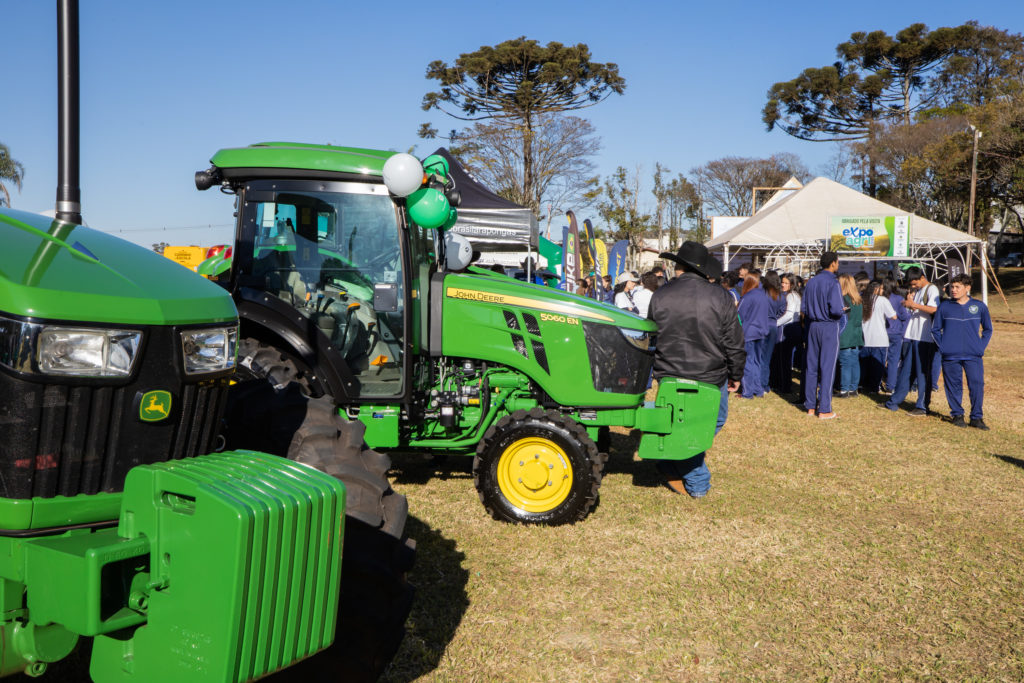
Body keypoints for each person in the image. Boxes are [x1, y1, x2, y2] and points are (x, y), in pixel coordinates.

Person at [648, 241, 745, 498]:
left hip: (670, 373)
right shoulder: (721, 296)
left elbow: (651, 337)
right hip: (710, 375)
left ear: (679, 266)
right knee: (711, 421)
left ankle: (671, 461)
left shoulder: (660, 295)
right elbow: (734, 341)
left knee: (678, 423)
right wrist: (736, 374)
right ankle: (696, 478)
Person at [931, 274, 993, 430]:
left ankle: (976, 418)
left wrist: (980, 347)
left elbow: (988, 329)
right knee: (953, 386)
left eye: (957, 287)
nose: (953, 290)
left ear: (968, 288)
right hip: (950, 355)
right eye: (952, 287)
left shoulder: (979, 307)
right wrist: (944, 347)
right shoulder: (944, 307)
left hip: (973, 355)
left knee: (977, 385)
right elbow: (935, 330)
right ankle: (957, 415)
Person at [883, 266, 940, 416]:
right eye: (911, 285)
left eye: (915, 283)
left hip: (926, 338)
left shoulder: (932, 289)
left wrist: (913, 305)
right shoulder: (919, 291)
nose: (913, 287)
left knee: (922, 373)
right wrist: (910, 304)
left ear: (922, 277)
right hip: (914, 336)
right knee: (906, 371)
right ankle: (894, 401)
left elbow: (934, 309)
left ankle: (922, 406)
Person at [801, 252, 845, 419]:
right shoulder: (833, 282)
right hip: (828, 325)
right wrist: (841, 311)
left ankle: (810, 405)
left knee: (811, 367)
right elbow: (836, 309)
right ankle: (825, 409)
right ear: (833, 263)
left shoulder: (811, 282)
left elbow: (804, 308)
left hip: (812, 325)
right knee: (827, 367)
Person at [859, 280, 898, 394]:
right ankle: (874, 387)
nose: (883, 291)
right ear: (876, 289)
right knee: (877, 365)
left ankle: (862, 385)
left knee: (863, 364)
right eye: (881, 288)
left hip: (864, 338)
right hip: (879, 339)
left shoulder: (862, 299)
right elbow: (893, 316)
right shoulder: (882, 300)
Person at [736, 273, 772, 398]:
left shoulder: (747, 297)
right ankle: (758, 389)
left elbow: (739, 315)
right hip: (762, 332)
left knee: (747, 362)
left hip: (749, 333)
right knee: (757, 361)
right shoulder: (763, 296)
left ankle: (747, 392)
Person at [772, 272, 802, 394]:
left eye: (786, 283)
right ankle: (784, 384)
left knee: (784, 359)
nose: (783, 285)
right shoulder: (795, 295)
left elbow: (789, 315)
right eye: (782, 282)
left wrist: (775, 323)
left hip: (787, 329)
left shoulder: (791, 296)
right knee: (785, 359)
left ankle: (784, 385)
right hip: (793, 328)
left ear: (792, 284)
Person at [836, 273, 863, 398]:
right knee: (854, 362)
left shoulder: (843, 300)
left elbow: (843, 318)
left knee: (845, 363)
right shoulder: (858, 300)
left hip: (845, 335)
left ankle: (844, 390)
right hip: (856, 335)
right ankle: (853, 388)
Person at [881, 277, 910, 393]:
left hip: (883, 332)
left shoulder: (880, 299)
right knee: (894, 360)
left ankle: (878, 382)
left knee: (881, 359)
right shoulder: (899, 299)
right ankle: (890, 386)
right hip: (896, 333)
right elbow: (905, 316)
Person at [760, 272, 787, 393]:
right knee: (767, 358)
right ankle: (765, 384)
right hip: (773, 325)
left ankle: (758, 383)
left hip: (760, 324)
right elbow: (782, 311)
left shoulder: (761, 293)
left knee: (757, 356)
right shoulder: (780, 296)